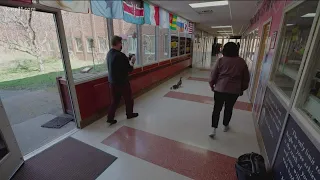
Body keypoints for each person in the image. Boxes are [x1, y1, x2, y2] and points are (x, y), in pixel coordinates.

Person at [209, 42, 250, 138]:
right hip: (234, 91)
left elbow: (213, 74)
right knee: (229, 108)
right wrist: (242, 89)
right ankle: (225, 126)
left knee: (216, 109)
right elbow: (246, 78)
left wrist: (212, 85)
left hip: (220, 89)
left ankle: (213, 129)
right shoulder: (241, 62)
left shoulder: (220, 61)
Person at [106, 36, 139, 125]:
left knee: (115, 101)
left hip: (112, 83)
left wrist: (126, 58)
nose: (122, 45)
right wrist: (132, 61)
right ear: (118, 43)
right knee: (128, 99)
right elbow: (129, 69)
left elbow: (118, 64)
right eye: (121, 43)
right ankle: (129, 114)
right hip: (122, 83)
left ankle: (110, 118)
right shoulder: (120, 56)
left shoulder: (109, 53)